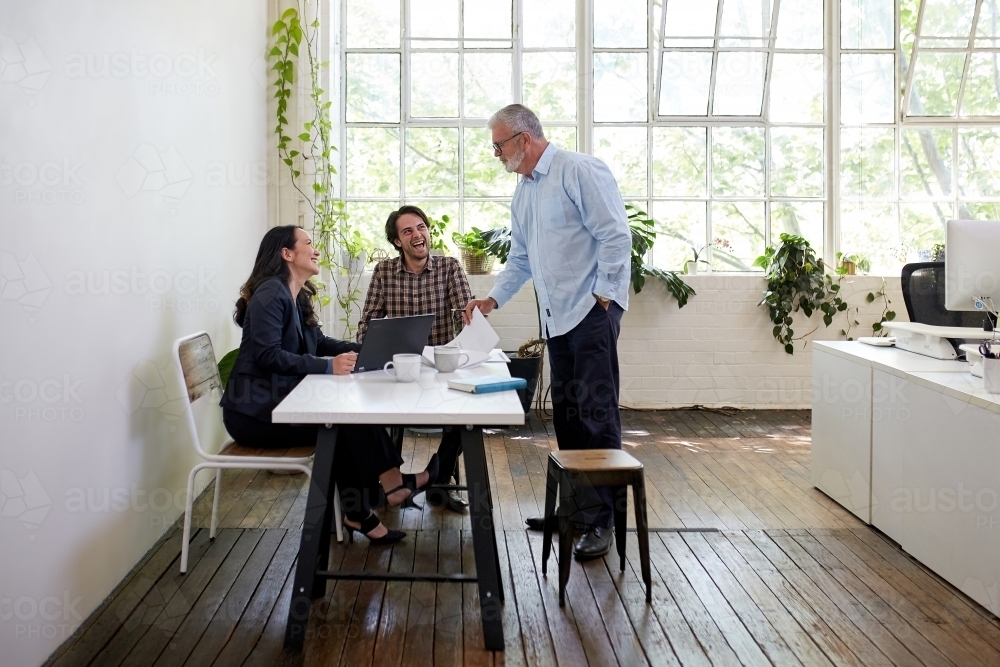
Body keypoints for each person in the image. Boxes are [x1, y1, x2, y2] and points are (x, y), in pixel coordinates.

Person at [464, 104, 631, 560]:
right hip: (558, 320)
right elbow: (520, 259)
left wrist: (605, 297)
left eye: (499, 144)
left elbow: (616, 235)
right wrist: (492, 300)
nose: (496, 153)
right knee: (569, 416)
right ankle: (576, 510)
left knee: (597, 417)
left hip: (591, 313)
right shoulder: (523, 194)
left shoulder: (579, 170)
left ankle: (603, 523)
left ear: (524, 138)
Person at [220, 225, 439, 543]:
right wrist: (327, 367)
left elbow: (319, 341)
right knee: (344, 420)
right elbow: (268, 356)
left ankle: (364, 509)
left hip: (280, 402)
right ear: (287, 254)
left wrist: (366, 351)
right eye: (308, 243)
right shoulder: (271, 294)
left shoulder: (295, 294)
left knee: (348, 415)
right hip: (253, 415)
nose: (316, 249)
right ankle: (386, 492)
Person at [357, 205, 473, 513]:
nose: (417, 234)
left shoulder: (449, 267)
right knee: (365, 412)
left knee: (468, 415)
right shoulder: (384, 271)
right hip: (398, 370)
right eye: (407, 231)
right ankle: (392, 481)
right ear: (397, 242)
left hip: (440, 369)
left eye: (421, 227)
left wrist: (470, 325)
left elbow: (466, 317)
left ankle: (438, 477)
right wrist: (368, 352)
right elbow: (367, 323)